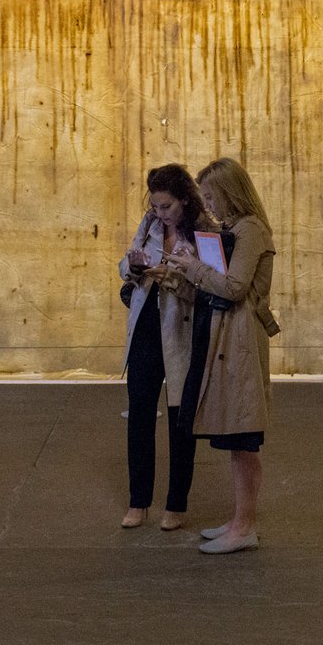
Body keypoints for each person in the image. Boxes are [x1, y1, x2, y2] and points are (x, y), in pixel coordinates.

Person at [165, 157, 279, 555]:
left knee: (244, 439)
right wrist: (180, 273)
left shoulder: (251, 231)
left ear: (230, 193)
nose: (209, 205)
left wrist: (193, 267)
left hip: (241, 342)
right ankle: (238, 520)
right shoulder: (234, 229)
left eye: (213, 197)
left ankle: (245, 525)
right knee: (235, 438)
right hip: (227, 340)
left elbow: (232, 288)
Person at [118, 164, 210, 532]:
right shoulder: (149, 224)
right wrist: (135, 268)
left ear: (185, 200)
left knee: (180, 419)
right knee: (139, 413)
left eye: (167, 206)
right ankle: (138, 501)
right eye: (155, 206)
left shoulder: (205, 231)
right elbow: (126, 262)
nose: (160, 213)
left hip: (180, 331)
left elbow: (210, 284)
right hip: (145, 325)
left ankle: (177, 503)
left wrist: (172, 277)